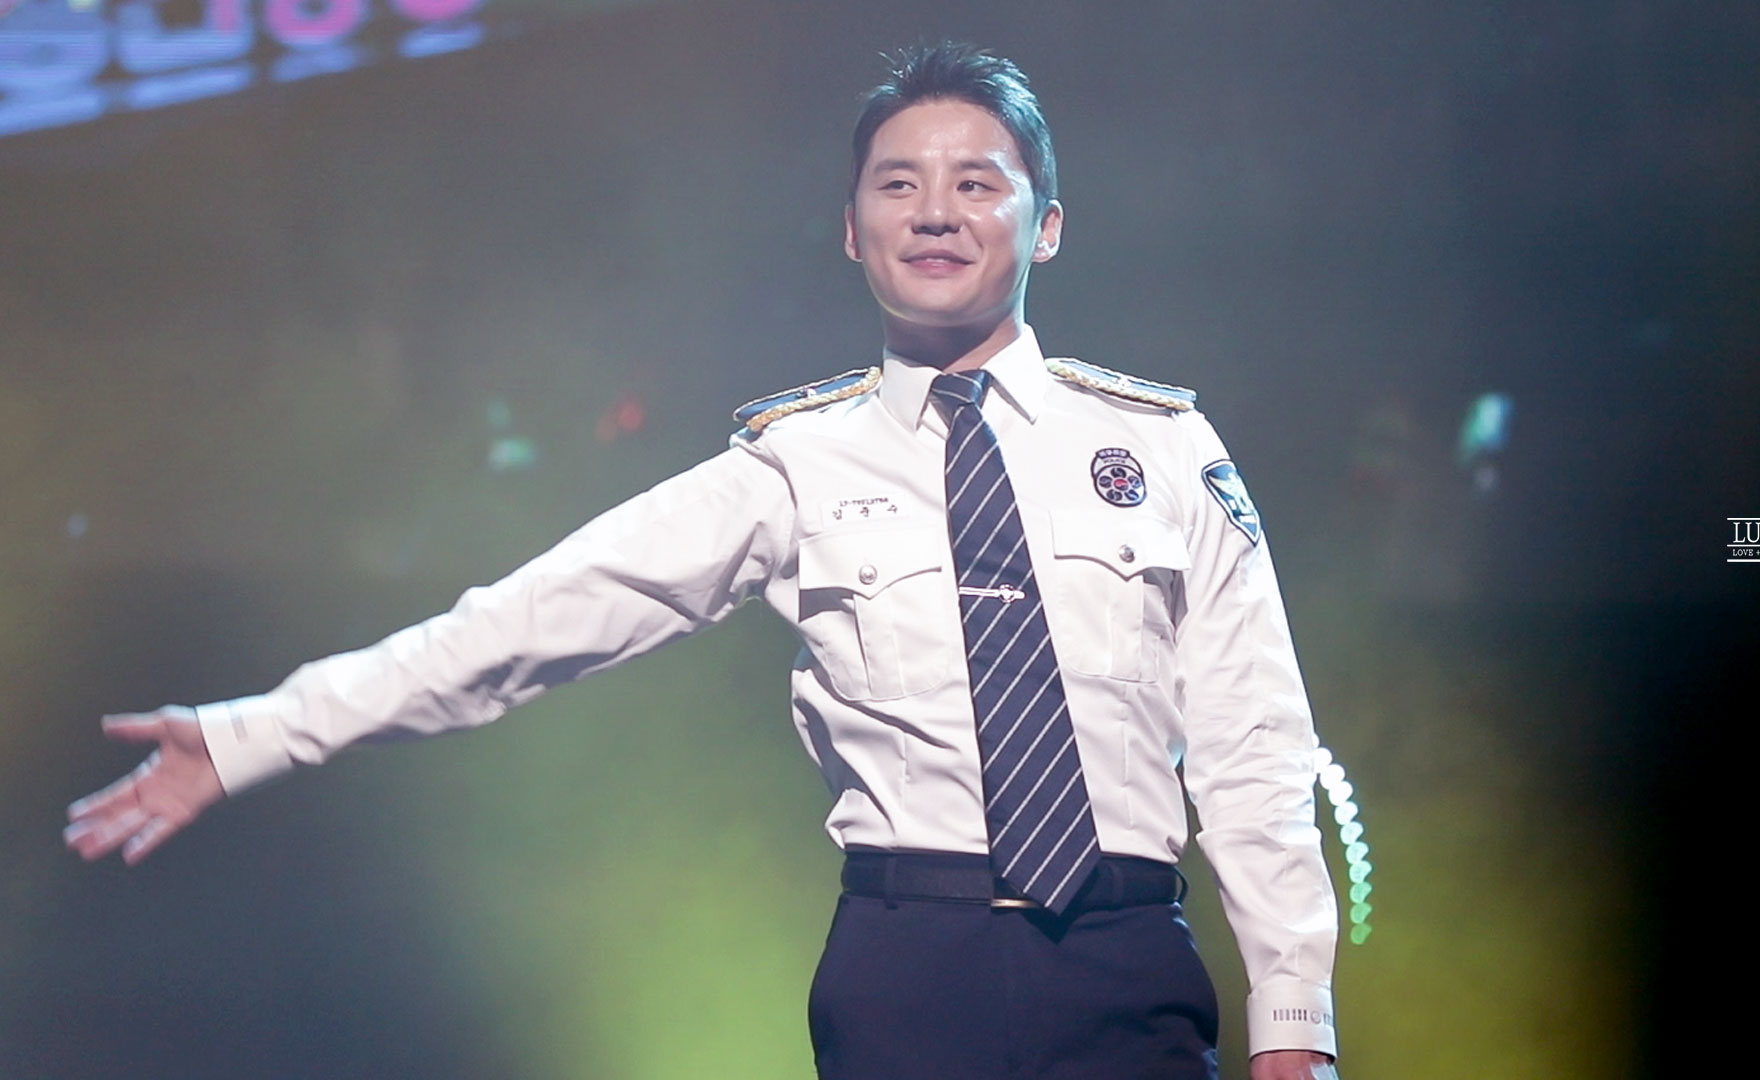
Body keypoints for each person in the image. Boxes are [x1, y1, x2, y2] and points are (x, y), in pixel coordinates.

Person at [65, 42, 1340, 1080]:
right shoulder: (795, 464)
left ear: (1046, 225)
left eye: (977, 182)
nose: (935, 211)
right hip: (912, 972)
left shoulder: (1160, 446)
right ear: (852, 232)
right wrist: (254, 735)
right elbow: (526, 622)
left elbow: (1255, 740)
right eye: (898, 184)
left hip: (1127, 961)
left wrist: (1294, 1017)